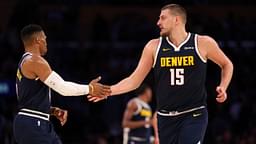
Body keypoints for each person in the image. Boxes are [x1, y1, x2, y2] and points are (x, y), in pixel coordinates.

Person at [88, 4, 233, 144]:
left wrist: (223, 86)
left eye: (163, 18)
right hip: (165, 117)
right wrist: (108, 91)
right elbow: (134, 81)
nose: (158, 22)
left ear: (176, 20)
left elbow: (227, 64)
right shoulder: (153, 46)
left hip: (193, 113)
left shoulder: (202, 42)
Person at [14, 24, 111, 144]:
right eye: (45, 38)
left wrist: (52, 110)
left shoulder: (25, 61)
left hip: (36, 121)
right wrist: (90, 88)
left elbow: (29, 99)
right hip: (33, 123)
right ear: (38, 40)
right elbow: (62, 88)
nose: (46, 42)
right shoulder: (35, 61)